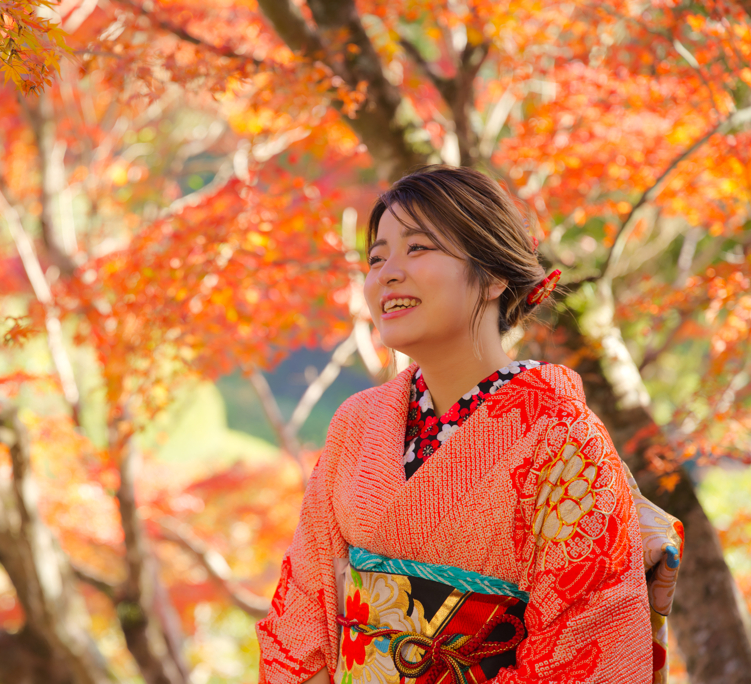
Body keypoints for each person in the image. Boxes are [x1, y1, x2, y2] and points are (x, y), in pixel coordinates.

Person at [255, 166, 683, 684]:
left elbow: (585, 646)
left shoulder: (564, 438)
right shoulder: (356, 424)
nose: (387, 272)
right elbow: (302, 614)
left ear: (494, 275)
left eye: (417, 248)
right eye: (376, 257)